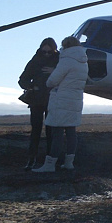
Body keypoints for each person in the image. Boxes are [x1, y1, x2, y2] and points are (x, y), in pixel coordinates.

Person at [33, 36, 88, 173]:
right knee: (71, 132)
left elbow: (52, 80)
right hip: (75, 99)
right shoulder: (83, 61)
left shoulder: (67, 60)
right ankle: (69, 163)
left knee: (57, 132)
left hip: (62, 99)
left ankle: (50, 164)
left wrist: (49, 81)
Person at [18, 37, 59, 171]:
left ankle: (50, 160)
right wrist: (32, 87)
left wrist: (55, 72)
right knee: (35, 130)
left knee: (51, 131)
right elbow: (22, 80)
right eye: (44, 52)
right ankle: (32, 159)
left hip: (52, 99)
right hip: (36, 100)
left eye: (49, 52)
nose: (46, 54)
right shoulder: (35, 61)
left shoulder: (59, 61)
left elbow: (67, 76)